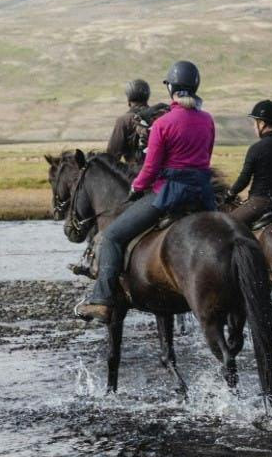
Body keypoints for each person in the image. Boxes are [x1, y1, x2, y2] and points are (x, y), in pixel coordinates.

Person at [77, 61, 217, 321]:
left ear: (171, 88)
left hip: (168, 195)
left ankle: (103, 299)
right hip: (204, 196)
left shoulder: (164, 124)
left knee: (112, 237)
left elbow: (151, 167)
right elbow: (205, 159)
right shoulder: (207, 120)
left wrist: (137, 186)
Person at [228, 100, 272, 227]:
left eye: (255, 123)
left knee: (224, 227)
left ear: (262, 123)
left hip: (259, 204)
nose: (254, 127)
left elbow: (244, 179)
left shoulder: (256, 148)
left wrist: (230, 193)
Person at [106, 79, 166, 168]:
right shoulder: (160, 116)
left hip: (135, 175)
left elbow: (111, 157)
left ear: (128, 98)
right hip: (162, 172)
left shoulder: (124, 120)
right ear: (147, 97)